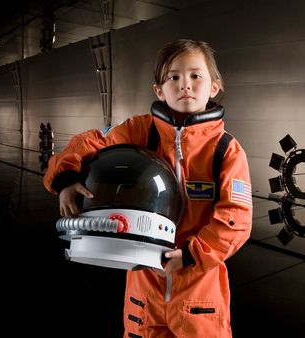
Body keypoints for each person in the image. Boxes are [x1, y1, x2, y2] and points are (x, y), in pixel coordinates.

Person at [43, 39, 252, 337]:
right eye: (174, 77)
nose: (185, 85)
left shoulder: (226, 150)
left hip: (198, 285)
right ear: (159, 90)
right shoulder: (140, 131)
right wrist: (66, 178)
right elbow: (89, 142)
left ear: (214, 86)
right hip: (143, 275)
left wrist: (192, 256)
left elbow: (236, 218)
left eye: (196, 75)